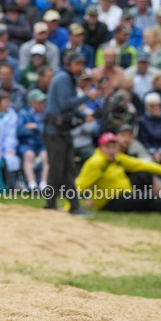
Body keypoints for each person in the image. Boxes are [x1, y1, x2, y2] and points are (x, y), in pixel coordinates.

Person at [75, 132, 161, 215]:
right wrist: (71, 206)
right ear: (101, 148)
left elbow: (139, 164)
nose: (111, 150)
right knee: (149, 198)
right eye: (108, 147)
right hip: (110, 201)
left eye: (114, 146)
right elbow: (80, 184)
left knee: (145, 175)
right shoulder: (96, 162)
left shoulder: (117, 158)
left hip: (124, 193)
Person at [43, 52, 92, 216]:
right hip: (56, 131)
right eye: (77, 64)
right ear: (68, 64)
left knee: (65, 169)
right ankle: (62, 205)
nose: (80, 67)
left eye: (81, 64)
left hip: (61, 130)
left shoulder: (67, 78)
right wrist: (86, 97)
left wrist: (82, 116)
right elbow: (65, 104)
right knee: (60, 169)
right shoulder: (64, 78)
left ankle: (63, 205)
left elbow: (68, 108)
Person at [17, 88, 49, 191]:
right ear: (32, 103)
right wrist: (38, 129)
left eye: (43, 102)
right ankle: (32, 185)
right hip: (26, 144)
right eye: (39, 102)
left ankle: (44, 185)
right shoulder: (23, 113)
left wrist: (35, 126)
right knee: (28, 155)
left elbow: (46, 129)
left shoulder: (46, 113)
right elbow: (19, 131)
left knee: (46, 155)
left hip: (41, 143)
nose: (42, 104)